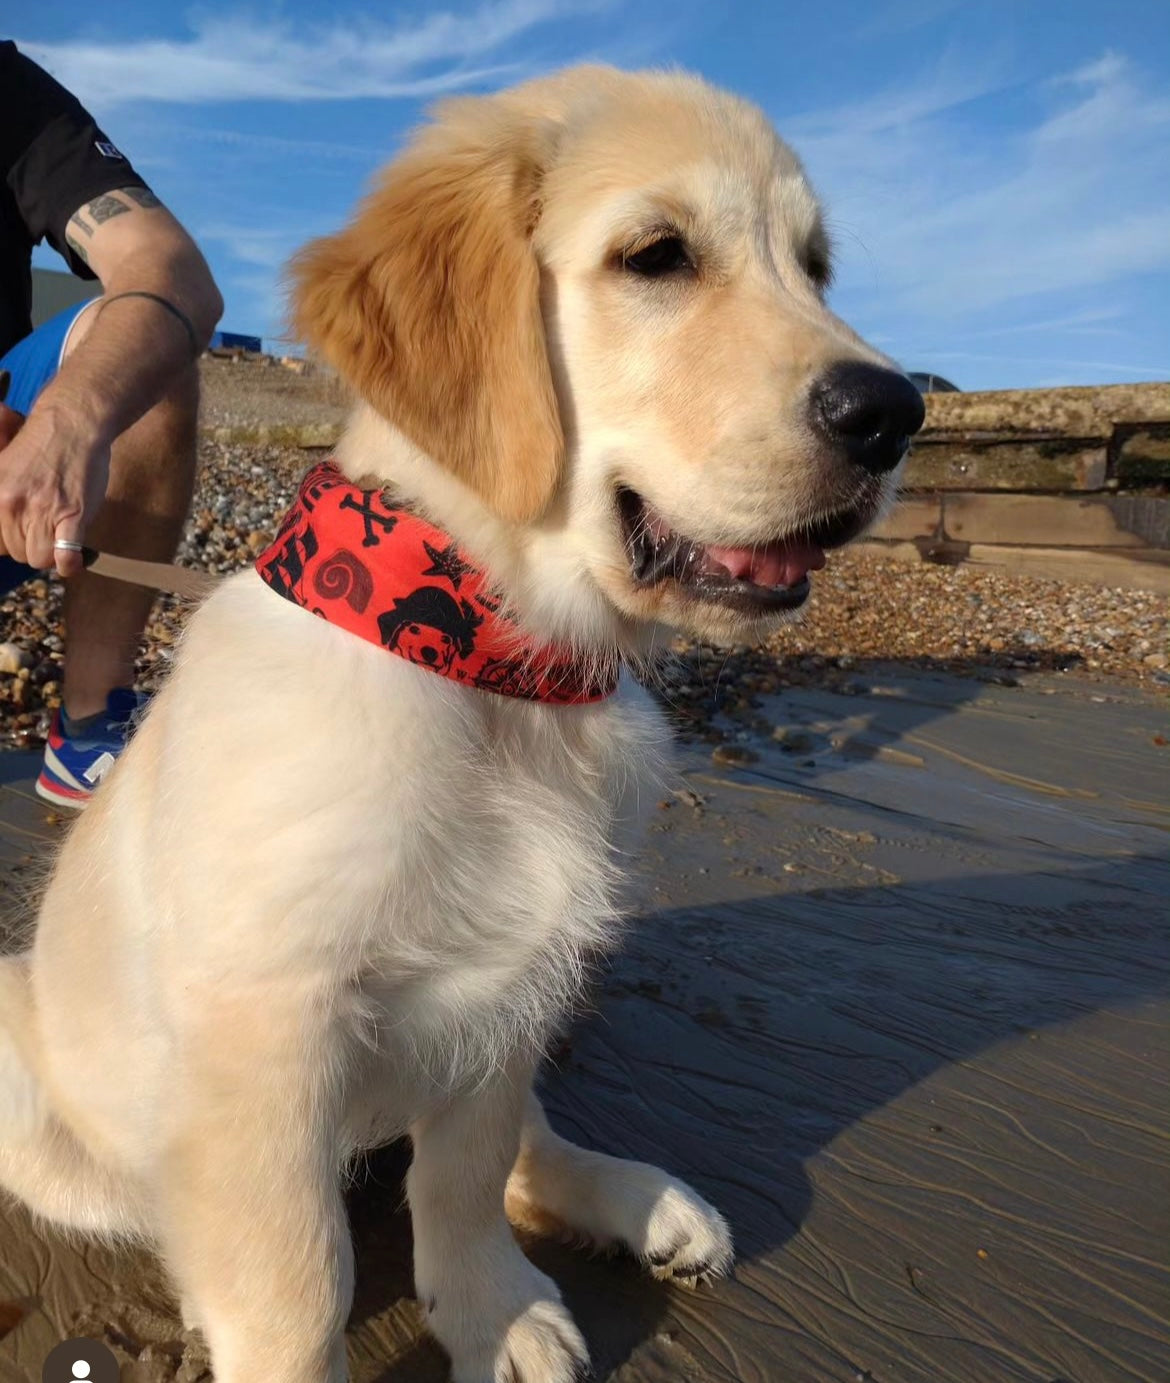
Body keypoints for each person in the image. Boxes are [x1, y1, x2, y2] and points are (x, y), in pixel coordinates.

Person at [0, 40, 223, 806]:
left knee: (139, 344)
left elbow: (171, 270)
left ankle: (91, 725)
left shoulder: (12, 97)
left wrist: (66, 421)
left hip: (13, 478)